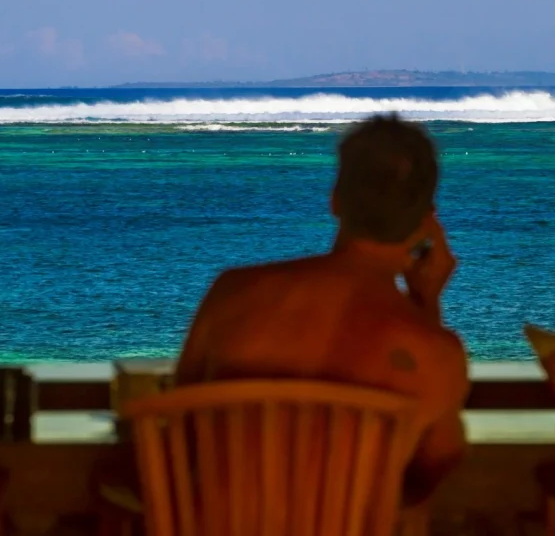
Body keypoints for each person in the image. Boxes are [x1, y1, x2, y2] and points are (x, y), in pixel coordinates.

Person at [174, 113, 469, 505]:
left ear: (335, 200)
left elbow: (183, 421)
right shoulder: (435, 353)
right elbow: (431, 468)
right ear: (426, 219)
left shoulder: (234, 291)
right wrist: (426, 304)